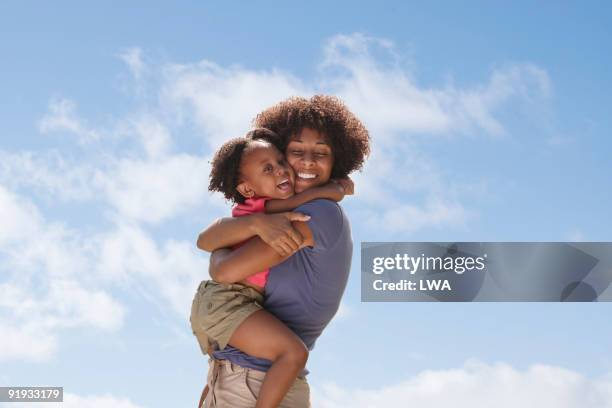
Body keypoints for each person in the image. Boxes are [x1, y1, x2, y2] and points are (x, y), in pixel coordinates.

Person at [197, 95, 370, 407]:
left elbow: (224, 270)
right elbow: (208, 239)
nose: (306, 161)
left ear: (337, 160)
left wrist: (226, 248)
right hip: (240, 376)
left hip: (257, 381)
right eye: (294, 152)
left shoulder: (317, 213)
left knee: (293, 353)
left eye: (322, 153)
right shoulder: (276, 211)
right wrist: (256, 226)